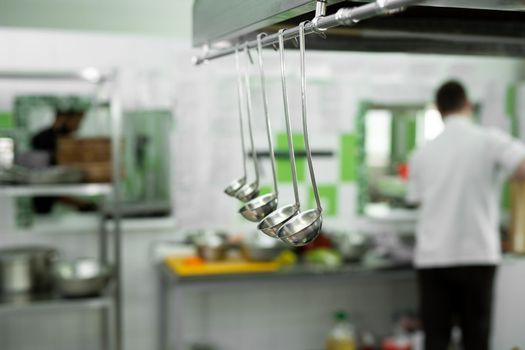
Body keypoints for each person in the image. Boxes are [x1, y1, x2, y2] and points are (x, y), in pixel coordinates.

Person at [406, 80, 525, 350]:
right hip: (477, 255)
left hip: (434, 257)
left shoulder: (422, 152)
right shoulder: (489, 139)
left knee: (436, 338)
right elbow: (522, 167)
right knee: (476, 337)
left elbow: (417, 200)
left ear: (438, 109)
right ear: (468, 104)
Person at [31, 108, 93, 213]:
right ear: (63, 118)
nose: (79, 125)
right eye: (77, 121)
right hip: (43, 204)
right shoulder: (42, 140)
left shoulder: (69, 141)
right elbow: (47, 181)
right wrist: (79, 203)